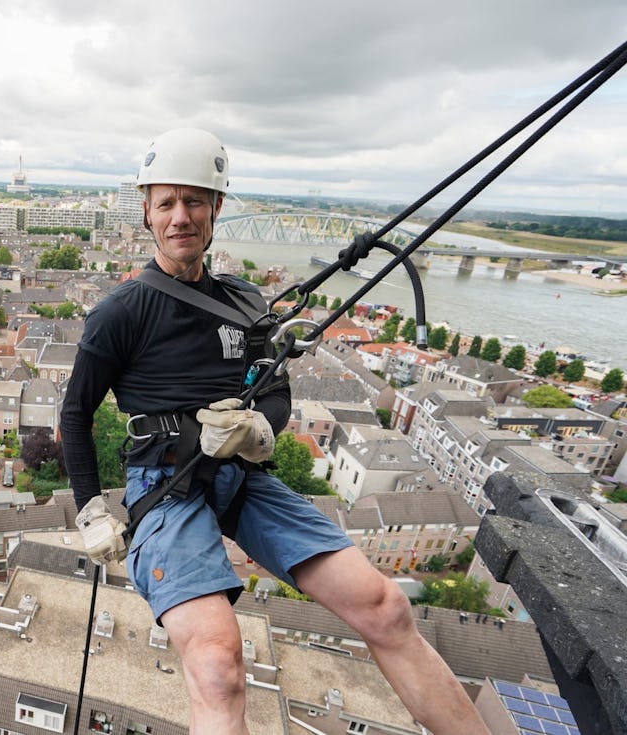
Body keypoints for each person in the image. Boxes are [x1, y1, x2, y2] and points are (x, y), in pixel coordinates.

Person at [61, 128, 492, 734]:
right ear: (147, 212)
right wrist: (90, 510)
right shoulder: (121, 312)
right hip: (167, 482)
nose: (180, 217)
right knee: (216, 667)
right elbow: (75, 414)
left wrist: (260, 430)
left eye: (194, 201)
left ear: (217, 208)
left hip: (240, 477)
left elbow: (276, 388)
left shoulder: (244, 302)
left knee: (389, 609)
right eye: (166, 203)